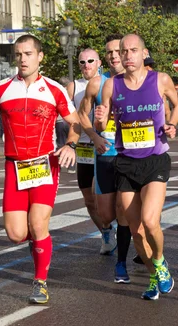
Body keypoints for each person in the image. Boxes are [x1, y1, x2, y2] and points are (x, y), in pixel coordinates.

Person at [0, 34, 81, 304]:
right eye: (18, 54)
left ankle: (40, 282)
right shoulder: (1, 89)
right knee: (16, 234)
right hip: (14, 166)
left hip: (45, 164)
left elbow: (75, 122)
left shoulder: (54, 89)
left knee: (37, 223)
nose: (22, 59)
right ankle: (38, 242)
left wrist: (70, 145)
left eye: (28, 54)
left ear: (39, 56)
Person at [94, 34, 178, 301]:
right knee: (134, 229)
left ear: (144, 53)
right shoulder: (111, 86)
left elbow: (177, 106)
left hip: (155, 160)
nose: (128, 55)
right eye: (124, 50)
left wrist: (172, 124)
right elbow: (102, 125)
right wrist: (98, 122)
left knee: (150, 220)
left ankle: (161, 261)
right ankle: (155, 273)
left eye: (133, 50)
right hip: (126, 162)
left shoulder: (161, 79)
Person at [78, 34, 137, 284]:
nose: (114, 56)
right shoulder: (96, 84)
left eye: (118, 51)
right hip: (105, 154)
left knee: (126, 209)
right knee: (106, 214)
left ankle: (124, 260)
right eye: (110, 52)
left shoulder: (137, 81)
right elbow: (81, 115)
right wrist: (94, 135)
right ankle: (117, 234)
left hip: (132, 155)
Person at [67, 48, 117, 256]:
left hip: (108, 148)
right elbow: (69, 116)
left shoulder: (107, 82)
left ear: (99, 63)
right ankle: (106, 232)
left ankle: (126, 233)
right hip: (85, 149)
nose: (86, 65)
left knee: (111, 198)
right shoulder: (73, 87)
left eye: (90, 61)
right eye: (82, 62)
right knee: (89, 199)